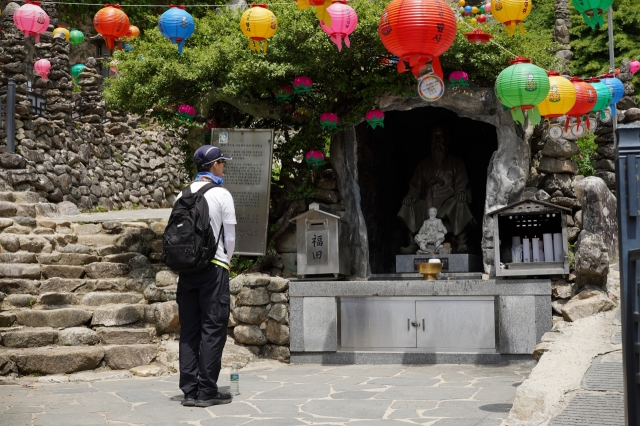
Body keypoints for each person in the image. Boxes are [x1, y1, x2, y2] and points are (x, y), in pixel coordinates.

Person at [176, 145, 236, 408]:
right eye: (223, 162)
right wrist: (227, 261)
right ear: (214, 166)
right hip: (214, 269)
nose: (224, 166)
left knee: (189, 330)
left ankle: (189, 390)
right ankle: (207, 391)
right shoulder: (222, 194)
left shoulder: (183, 193)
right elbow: (230, 237)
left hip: (187, 270)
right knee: (213, 329)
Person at [397, 128, 474, 254]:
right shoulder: (423, 165)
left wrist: (461, 192)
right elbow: (415, 186)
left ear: (446, 141)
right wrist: (411, 195)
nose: (437, 140)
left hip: (448, 203)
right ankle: (412, 243)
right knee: (409, 205)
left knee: (460, 202)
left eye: (440, 137)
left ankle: (461, 242)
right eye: (434, 137)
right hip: (427, 203)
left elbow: (462, 182)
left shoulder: (456, 162)